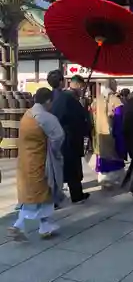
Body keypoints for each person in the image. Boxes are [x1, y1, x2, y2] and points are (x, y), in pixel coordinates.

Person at [9, 88, 64, 241]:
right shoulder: (46, 117)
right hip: (41, 162)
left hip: (25, 162)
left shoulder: (27, 115)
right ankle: (19, 225)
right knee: (42, 194)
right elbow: (58, 137)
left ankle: (45, 226)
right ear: (48, 101)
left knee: (32, 195)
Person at [47, 69, 90, 204]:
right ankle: (76, 195)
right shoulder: (68, 98)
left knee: (56, 168)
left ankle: (56, 195)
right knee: (72, 167)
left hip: (53, 136)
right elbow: (80, 118)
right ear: (62, 82)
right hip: (69, 137)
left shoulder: (50, 97)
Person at [91, 78, 125, 189]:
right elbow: (119, 119)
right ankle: (111, 180)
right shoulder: (116, 100)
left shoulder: (96, 100)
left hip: (99, 133)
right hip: (110, 134)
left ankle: (102, 178)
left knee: (102, 155)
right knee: (113, 156)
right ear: (113, 86)